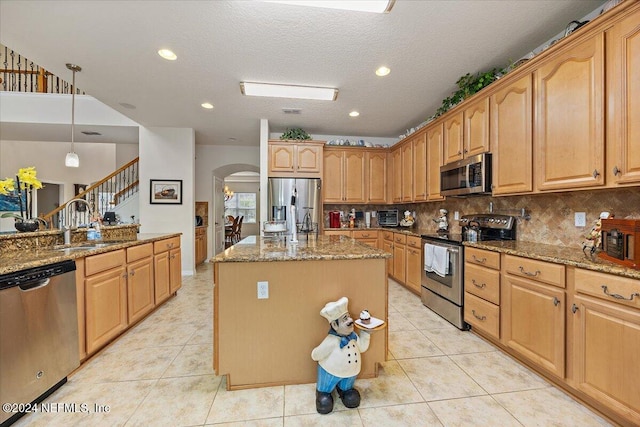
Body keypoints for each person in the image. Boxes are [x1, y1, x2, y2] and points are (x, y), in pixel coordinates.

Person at [311, 297, 370, 414]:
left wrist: (366, 331)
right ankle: (323, 392)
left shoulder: (353, 336)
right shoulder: (331, 341)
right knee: (324, 402)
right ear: (334, 325)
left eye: (348, 316)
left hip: (350, 374)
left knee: (352, 398)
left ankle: (345, 390)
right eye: (345, 319)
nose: (350, 320)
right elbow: (315, 355)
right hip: (330, 372)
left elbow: (362, 348)